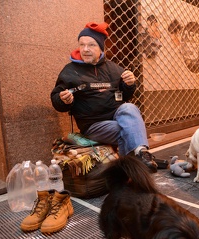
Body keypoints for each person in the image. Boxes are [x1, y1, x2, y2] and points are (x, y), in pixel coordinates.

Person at [50, 21, 157, 172]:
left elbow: (127, 96)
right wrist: (62, 99)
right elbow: (57, 100)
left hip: (117, 115)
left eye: (91, 45)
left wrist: (129, 84)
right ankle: (137, 166)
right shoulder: (70, 71)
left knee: (130, 108)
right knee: (129, 129)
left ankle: (139, 154)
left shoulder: (113, 68)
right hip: (93, 125)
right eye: (82, 45)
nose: (85, 49)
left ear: (100, 47)